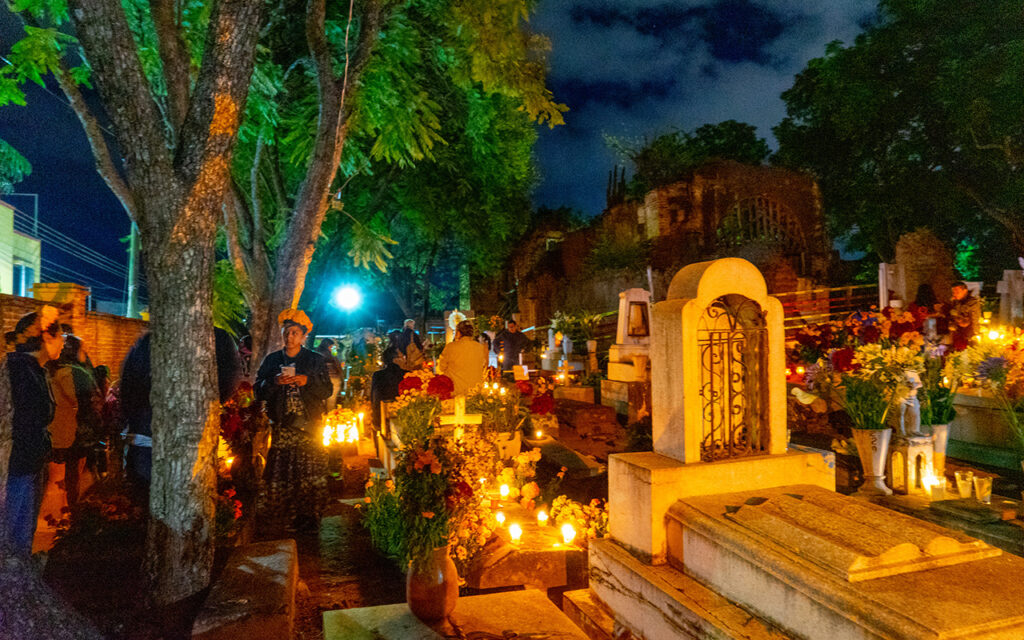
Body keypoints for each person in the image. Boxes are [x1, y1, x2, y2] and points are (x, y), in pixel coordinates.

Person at [120, 328, 241, 507]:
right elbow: (229, 380)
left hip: (148, 432)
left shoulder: (150, 339)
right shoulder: (217, 338)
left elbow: (129, 383)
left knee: (146, 492)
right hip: (180, 432)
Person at [254, 309, 333, 534]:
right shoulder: (272, 360)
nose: (290, 337)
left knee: (308, 470)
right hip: (283, 425)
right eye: (287, 332)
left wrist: (307, 381)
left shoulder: (315, 360)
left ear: (303, 336)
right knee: (284, 470)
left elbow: (327, 390)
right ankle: (286, 514)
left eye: (295, 333)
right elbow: (258, 389)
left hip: (309, 424)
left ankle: (309, 516)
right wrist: (274, 382)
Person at [4, 306, 63, 556]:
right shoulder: (20, 371)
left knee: (19, 537)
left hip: (27, 463)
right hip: (16, 466)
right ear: (45, 337)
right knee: (12, 537)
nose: (62, 344)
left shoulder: (31, 369)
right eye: (59, 336)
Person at [48, 335, 102, 509]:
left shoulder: (47, 370)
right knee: (75, 473)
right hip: (76, 432)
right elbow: (93, 402)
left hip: (51, 432)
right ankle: (73, 510)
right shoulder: (80, 374)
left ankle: (53, 511)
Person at [438, 320, 488, 396]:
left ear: (458, 333)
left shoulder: (451, 347)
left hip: (456, 392)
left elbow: (441, 367)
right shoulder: (479, 347)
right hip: (476, 392)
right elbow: (483, 366)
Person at [369, 345, 407, 430]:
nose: (405, 359)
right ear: (395, 360)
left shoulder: (377, 375)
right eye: (402, 356)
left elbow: (373, 399)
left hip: (380, 422)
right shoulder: (407, 375)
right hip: (403, 422)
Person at [947, 281, 981, 351]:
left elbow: (975, 318)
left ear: (965, 291)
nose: (954, 294)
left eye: (957, 292)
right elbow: (952, 314)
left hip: (968, 332)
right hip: (957, 331)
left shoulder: (972, 302)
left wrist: (976, 333)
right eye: (953, 292)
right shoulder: (955, 301)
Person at [317, 338, 343, 411]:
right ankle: (330, 418)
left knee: (322, 400)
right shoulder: (330, 356)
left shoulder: (317, 354)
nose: (332, 348)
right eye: (331, 346)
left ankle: (322, 419)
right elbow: (338, 367)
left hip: (321, 380)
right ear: (327, 346)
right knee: (331, 401)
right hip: (333, 379)